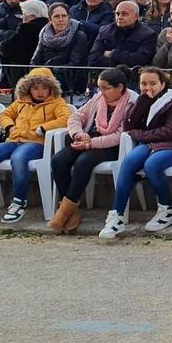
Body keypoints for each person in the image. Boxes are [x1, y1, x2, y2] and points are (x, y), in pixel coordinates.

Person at [99, 67, 172, 237]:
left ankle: (168, 209)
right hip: (153, 144)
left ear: (163, 84)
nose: (148, 87)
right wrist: (143, 102)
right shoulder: (143, 101)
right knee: (129, 161)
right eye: (143, 83)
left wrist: (140, 135)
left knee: (152, 165)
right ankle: (117, 216)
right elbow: (129, 126)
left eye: (153, 83)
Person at [0, 67, 70, 223]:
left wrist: (44, 128)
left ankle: (19, 201)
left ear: (51, 88)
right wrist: (9, 126)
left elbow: (66, 118)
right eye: (35, 88)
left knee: (18, 158)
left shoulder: (57, 102)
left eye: (44, 87)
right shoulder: (21, 102)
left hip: (37, 143)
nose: (40, 92)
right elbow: (4, 114)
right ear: (28, 88)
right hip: (14, 140)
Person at [46, 67, 139, 234]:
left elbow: (120, 135)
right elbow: (76, 116)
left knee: (84, 162)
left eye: (106, 88)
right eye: (99, 87)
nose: (101, 92)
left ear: (119, 88)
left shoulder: (131, 103)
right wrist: (78, 133)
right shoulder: (97, 99)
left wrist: (90, 144)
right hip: (87, 139)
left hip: (112, 147)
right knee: (59, 160)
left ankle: (64, 211)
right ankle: (71, 211)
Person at [31, 2, 89, 94]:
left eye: (64, 16)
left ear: (69, 17)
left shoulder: (79, 35)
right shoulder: (44, 34)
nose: (61, 19)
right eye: (57, 16)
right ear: (50, 19)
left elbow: (74, 64)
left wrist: (49, 71)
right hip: (45, 77)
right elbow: (35, 61)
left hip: (69, 79)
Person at [88, 1, 157, 69]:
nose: (120, 17)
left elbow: (142, 60)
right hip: (105, 75)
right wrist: (119, 65)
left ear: (136, 17)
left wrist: (112, 54)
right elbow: (93, 58)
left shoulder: (148, 34)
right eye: (117, 14)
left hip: (134, 77)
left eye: (124, 14)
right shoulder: (105, 31)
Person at [0, 0, 49, 88]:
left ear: (32, 16)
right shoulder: (48, 28)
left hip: (23, 76)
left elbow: (5, 48)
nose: (22, 18)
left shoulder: (27, 29)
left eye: (24, 15)